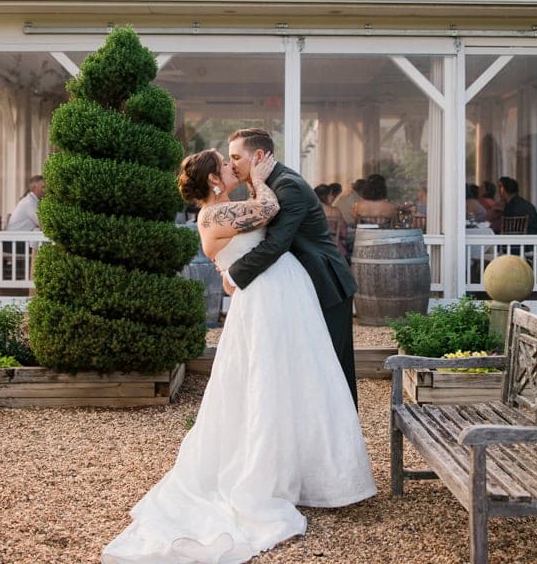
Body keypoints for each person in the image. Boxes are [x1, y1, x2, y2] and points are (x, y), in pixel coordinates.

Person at [102, 148, 375, 563]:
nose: (232, 167)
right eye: (225, 165)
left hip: (276, 296)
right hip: (264, 300)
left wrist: (232, 267)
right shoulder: (215, 216)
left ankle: (306, 471)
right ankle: (266, 475)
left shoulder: (224, 209)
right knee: (264, 382)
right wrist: (262, 178)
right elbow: (268, 210)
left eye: (235, 160)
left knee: (293, 379)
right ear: (214, 180)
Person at [224, 129, 361, 404]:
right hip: (299, 290)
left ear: (259, 155)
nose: (231, 165)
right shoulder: (269, 184)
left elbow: (276, 245)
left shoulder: (288, 187)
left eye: (236, 157)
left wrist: (233, 275)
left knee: (330, 371)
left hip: (326, 286)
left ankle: (338, 443)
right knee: (309, 371)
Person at [315, 183, 350, 259]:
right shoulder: (335, 211)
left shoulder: (311, 211)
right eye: (330, 194)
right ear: (325, 196)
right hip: (332, 247)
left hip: (314, 247)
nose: (333, 196)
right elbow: (344, 233)